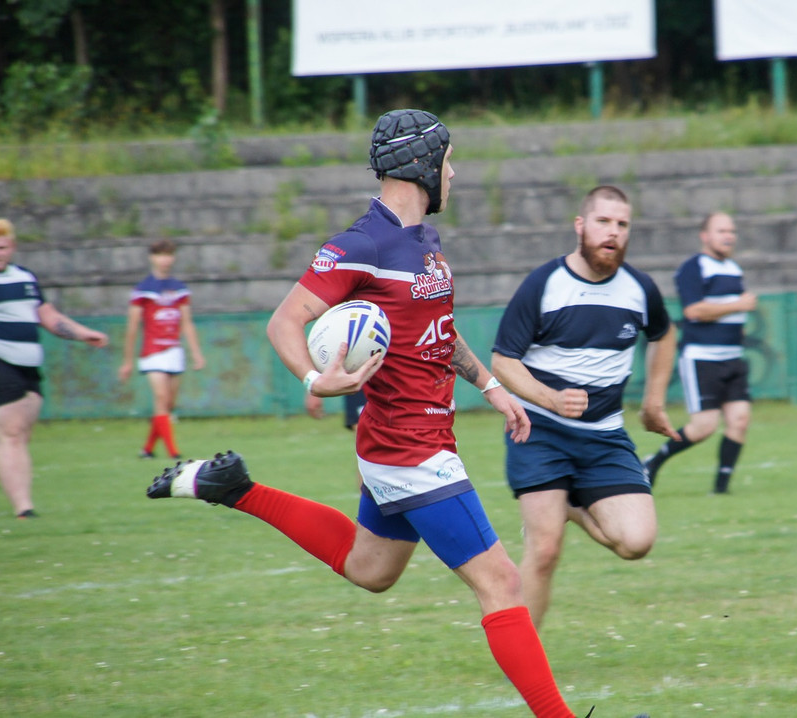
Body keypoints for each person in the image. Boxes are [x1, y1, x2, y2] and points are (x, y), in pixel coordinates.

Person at [145, 110, 595, 718]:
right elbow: (284, 321)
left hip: (411, 439)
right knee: (503, 583)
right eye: (448, 161)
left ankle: (233, 488)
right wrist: (314, 378)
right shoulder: (361, 244)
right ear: (422, 165)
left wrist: (490, 385)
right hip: (410, 448)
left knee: (371, 567)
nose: (454, 174)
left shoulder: (425, 241)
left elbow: (436, 331)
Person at [491, 185, 679, 629]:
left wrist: (653, 401)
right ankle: (525, 657)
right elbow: (503, 361)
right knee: (545, 551)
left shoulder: (639, 289)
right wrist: (551, 399)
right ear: (580, 226)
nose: (613, 232)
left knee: (637, 542)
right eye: (603, 222)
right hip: (540, 431)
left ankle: (570, 504)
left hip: (605, 436)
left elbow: (664, 335)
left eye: (622, 224)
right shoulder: (544, 284)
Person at [0, 218, 110, 519]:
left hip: (27, 365)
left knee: (13, 438)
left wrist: (82, 333)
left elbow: (46, 315)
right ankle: (24, 508)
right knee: (12, 434)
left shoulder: (25, 277)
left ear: (12, 247)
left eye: (1, 247)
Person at [642, 211, 756, 494]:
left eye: (731, 231)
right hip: (703, 359)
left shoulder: (734, 268)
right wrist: (739, 306)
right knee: (704, 426)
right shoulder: (693, 267)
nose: (728, 236)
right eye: (721, 231)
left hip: (732, 357)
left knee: (740, 420)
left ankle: (721, 490)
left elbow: (729, 308)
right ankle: (653, 462)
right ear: (705, 236)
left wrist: (738, 323)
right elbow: (694, 311)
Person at [117, 239, 205, 459]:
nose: (165, 259)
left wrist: (196, 353)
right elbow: (133, 327)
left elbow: (187, 323)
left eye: (168, 255)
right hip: (152, 352)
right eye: (160, 255)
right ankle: (174, 452)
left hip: (174, 351)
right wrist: (127, 361)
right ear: (152, 258)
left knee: (167, 404)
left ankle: (147, 449)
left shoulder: (179, 288)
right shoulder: (143, 290)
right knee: (161, 397)